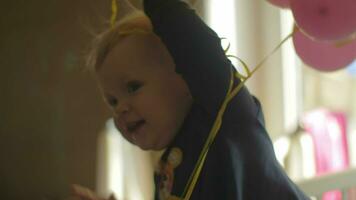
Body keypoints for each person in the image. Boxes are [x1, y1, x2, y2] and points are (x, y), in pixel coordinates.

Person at [71, 0, 310, 199]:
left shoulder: (225, 118)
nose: (120, 108)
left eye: (133, 87)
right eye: (112, 101)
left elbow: (185, 34)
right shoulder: (168, 167)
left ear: (185, 75)